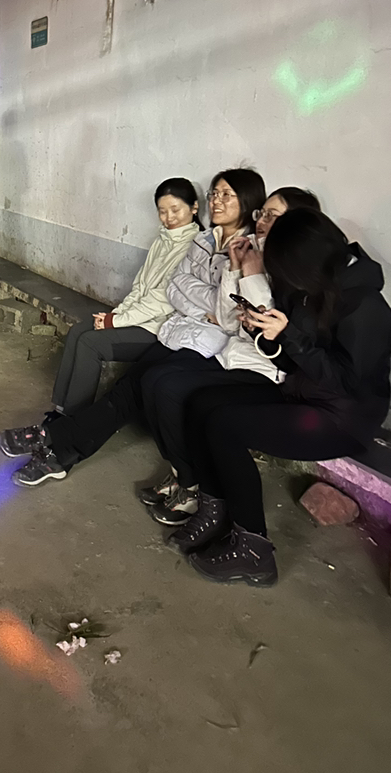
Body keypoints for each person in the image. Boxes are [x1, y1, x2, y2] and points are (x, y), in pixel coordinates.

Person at [0, 167, 265, 486]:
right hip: (178, 332)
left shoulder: (250, 250)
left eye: (226, 195)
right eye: (215, 193)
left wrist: (198, 299)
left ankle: (53, 441)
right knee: (123, 389)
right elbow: (175, 288)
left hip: (206, 344)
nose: (217, 201)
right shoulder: (205, 241)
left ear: (248, 201)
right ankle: (58, 447)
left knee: (128, 389)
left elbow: (226, 314)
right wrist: (202, 303)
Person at [175, 208, 391, 587]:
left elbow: (345, 383)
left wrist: (290, 335)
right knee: (201, 402)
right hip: (303, 393)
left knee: (225, 426)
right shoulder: (313, 289)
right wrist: (265, 334)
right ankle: (215, 510)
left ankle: (253, 551)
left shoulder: (367, 307)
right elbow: (293, 360)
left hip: (341, 420)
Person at [139, 187, 321, 527]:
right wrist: (235, 269)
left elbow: (265, 324)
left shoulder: (294, 269)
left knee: (171, 389)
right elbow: (226, 317)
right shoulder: (252, 252)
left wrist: (250, 274)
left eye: (272, 216)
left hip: (267, 369)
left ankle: (192, 486)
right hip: (233, 355)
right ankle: (183, 474)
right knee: (152, 378)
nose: (262, 221)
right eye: (262, 214)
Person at [44, 178, 201, 419]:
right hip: (138, 318)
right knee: (78, 331)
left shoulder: (194, 248)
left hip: (160, 328)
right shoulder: (162, 240)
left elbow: (163, 301)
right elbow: (139, 287)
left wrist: (115, 322)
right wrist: (117, 314)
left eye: (175, 210)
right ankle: (60, 410)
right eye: (162, 211)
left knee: (90, 343)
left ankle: (74, 421)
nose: (169, 217)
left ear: (194, 207)